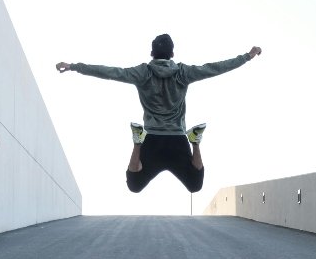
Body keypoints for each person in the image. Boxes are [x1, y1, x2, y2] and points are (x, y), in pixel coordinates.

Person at [56, 34, 262, 193]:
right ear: (172, 54)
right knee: (195, 185)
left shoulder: (142, 72)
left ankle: (137, 141)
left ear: (151, 53)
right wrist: (247, 57)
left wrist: (74, 66)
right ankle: (195, 141)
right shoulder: (183, 72)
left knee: (134, 185)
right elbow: (215, 68)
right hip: (177, 140)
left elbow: (111, 72)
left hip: (151, 139)